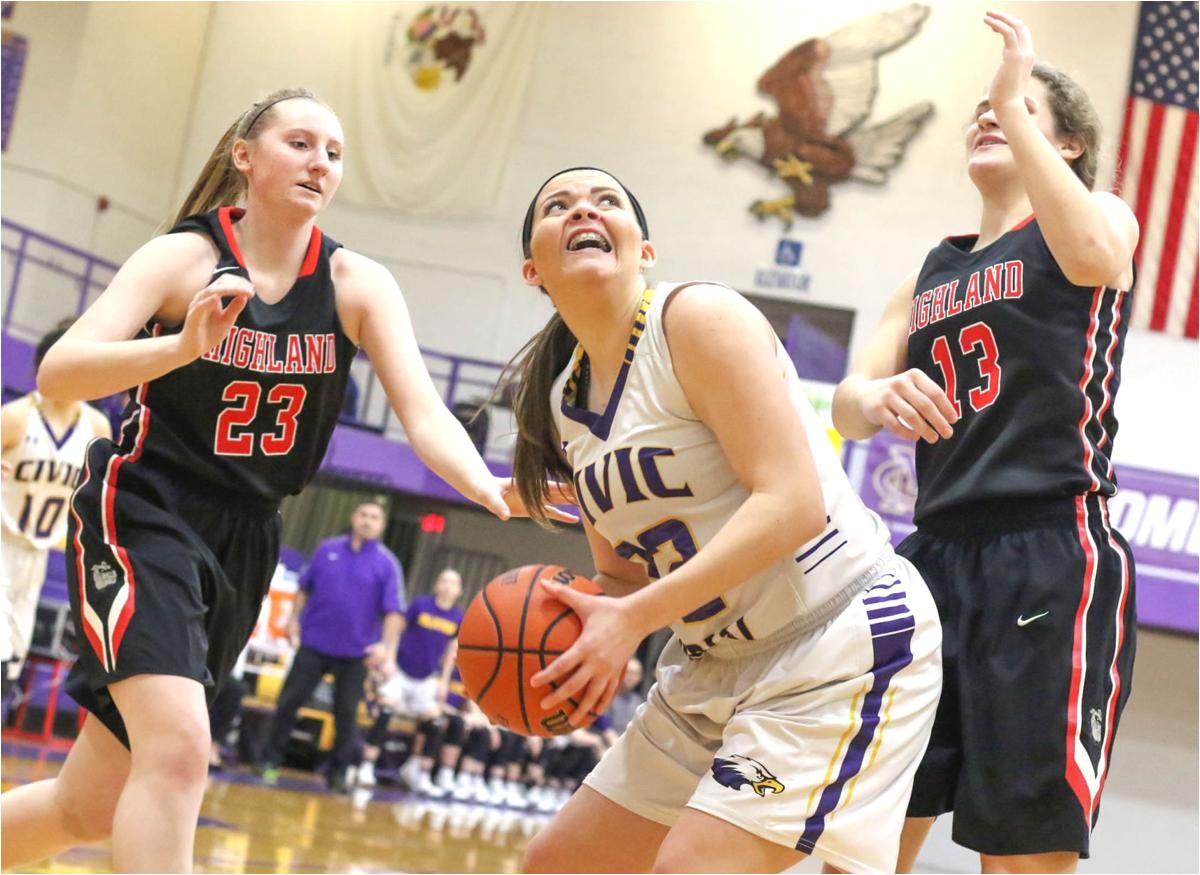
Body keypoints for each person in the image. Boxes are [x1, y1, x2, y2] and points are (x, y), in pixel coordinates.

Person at [0, 87, 572, 874]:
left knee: (88, 804)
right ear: (246, 156)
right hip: (143, 508)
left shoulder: (355, 284)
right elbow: (61, 367)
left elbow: (425, 412)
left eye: (334, 153)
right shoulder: (185, 258)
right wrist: (179, 347)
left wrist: (485, 483)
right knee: (179, 750)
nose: (320, 163)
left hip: (248, 533)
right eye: (301, 143)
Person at [507, 166, 943, 874]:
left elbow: (793, 501)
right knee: (555, 864)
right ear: (534, 269)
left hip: (836, 639)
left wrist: (635, 618)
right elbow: (619, 574)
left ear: (643, 250)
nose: (583, 208)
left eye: (606, 199)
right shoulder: (565, 404)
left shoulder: (696, 317)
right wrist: (582, 638)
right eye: (557, 204)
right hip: (711, 665)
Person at [831, 13, 1138, 873]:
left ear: (1069, 145)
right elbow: (849, 406)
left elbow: (1089, 252)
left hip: (1048, 545)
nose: (988, 116)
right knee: (865, 827)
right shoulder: (926, 273)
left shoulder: (1098, 221)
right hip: (932, 553)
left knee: (1020, 846)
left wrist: (1012, 89)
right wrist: (877, 392)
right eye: (981, 109)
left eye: (1016, 111)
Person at [1, 320, 111, 706]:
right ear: (42, 367)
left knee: (11, 666)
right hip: (1, 544)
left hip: (37, 558)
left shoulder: (96, 427)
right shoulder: (14, 418)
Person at [260, 500, 403, 792]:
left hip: (356, 653)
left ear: (382, 525)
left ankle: (338, 773)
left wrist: (386, 651)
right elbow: (303, 588)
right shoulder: (328, 549)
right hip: (314, 643)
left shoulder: (387, 564)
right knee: (288, 703)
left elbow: (393, 613)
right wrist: (293, 621)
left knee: (346, 715)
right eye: (363, 514)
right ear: (353, 517)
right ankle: (269, 761)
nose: (367, 520)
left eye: (374, 517)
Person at [358, 567, 465, 792]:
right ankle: (366, 765)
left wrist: (444, 682)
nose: (447, 586)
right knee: (385, 712)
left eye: (453, 583)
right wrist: (389, 660)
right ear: (436, 585)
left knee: (435, 722)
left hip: (426, 679)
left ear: (459, 590)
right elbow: (397, 630)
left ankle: (417, 771)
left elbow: (450, 652)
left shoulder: (458, 617)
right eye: (443, 581)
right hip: (400, 671)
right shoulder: (420, 605)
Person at [606, 656, 644, 733]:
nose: (631, 677)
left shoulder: (638, 700)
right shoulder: (608, 697)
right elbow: (603, 726)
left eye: (635, 674)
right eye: (629, 672)